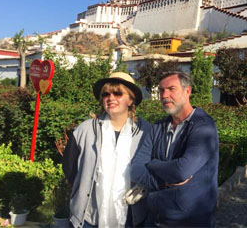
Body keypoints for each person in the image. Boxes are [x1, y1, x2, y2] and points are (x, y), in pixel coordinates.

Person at [131, 71, 219, 227]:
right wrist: (164, 183)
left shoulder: (204, 127)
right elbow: (136, 169)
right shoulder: (158, 127)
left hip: (191, 222)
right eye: (161, 90)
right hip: (155, 219)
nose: (164, 95)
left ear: (187, 91)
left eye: (171, 89)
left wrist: (152, 163)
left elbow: (181, 171)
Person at [63, 72, 151, 228]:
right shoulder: (85, 130)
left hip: (130, 217)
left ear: (131, 99)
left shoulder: (145, 132)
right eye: (106, 94)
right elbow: (70, 168)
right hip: (89, 216)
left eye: (118, 93)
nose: (110, 98)